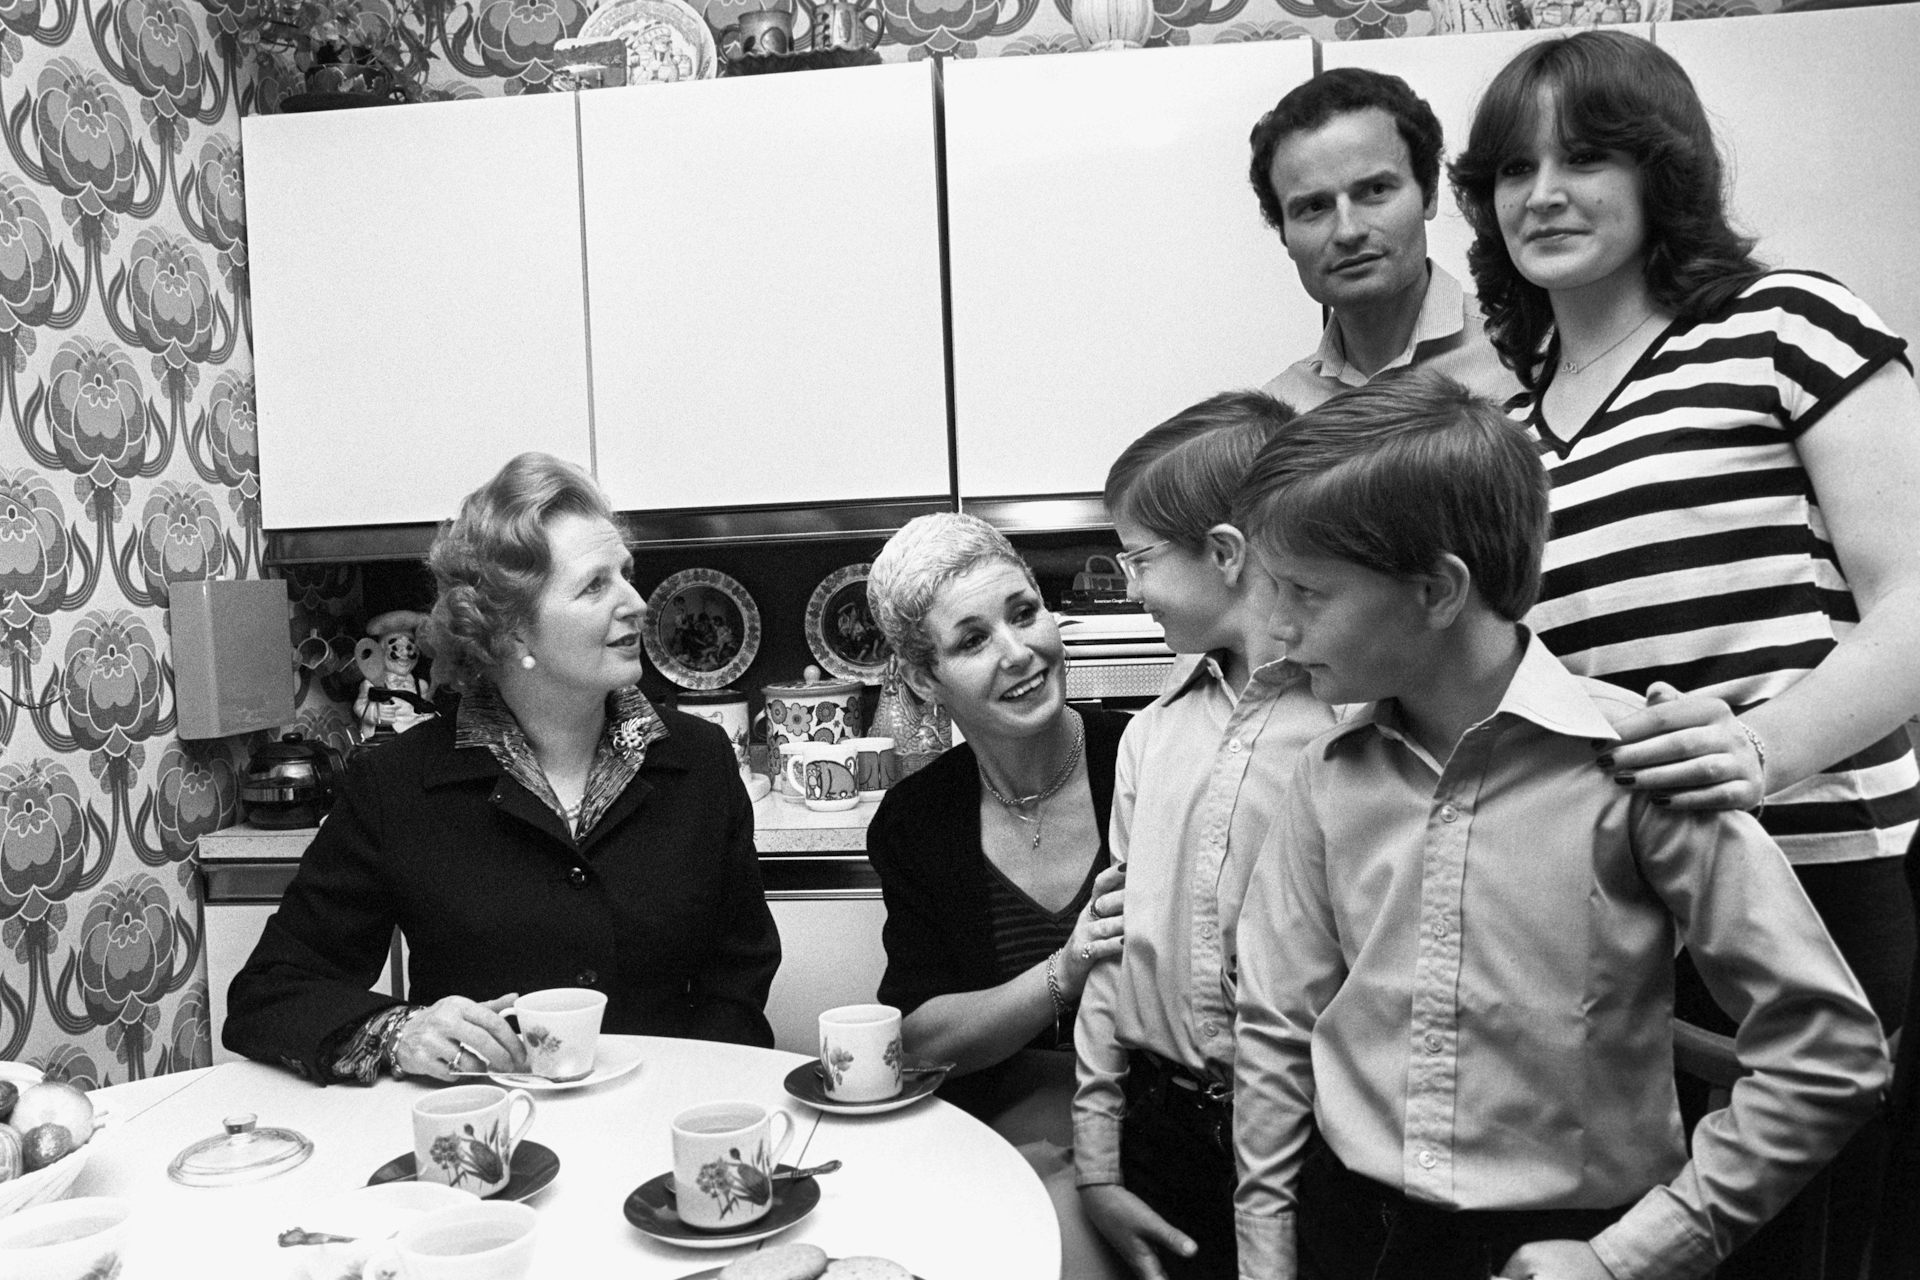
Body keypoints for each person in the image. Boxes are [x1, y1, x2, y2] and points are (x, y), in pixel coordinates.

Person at [1229, 369, 1891, 1280]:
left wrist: (1632, 1256)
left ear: (1436, 591)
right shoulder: (1325, 777)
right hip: (1356, 1232)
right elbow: (1274, 1026)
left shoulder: (1639, 767)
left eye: (1304, 591)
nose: (1271, 623)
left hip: (1571, 1245)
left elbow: (1831, 1053)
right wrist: (1266, 1251)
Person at [1450, 34, 1920, 1272]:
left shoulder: (1787, 323)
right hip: (1615, 916)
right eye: (1513, 168)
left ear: (1664, 172)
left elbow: (1918, 598)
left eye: (1587, 155)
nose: (1542, 191)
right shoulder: (1506, 434)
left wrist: (1760, 750)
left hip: (1812, 877)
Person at [225, 453, 781, 1082]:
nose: (636, 602)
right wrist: (401, 1031)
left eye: (625, 575)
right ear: (514, 631)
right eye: (595, 585)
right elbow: (270, 994)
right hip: (484, 1135)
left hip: (664, 1122)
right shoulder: (396, 784)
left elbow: (737, 978)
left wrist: (690, 1093)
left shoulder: (699, 759)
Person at [1074, 390, 1337, 1280]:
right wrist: (1099, 1160)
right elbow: (1114, 951)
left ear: (1224, 554)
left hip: (1321, 1145)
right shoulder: (1151, 736)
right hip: (1162, 1132)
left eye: (1138, 559)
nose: (1132, 585)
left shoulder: (1351, 725)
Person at [864, 511, 1128, 1279]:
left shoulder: (1145, 759)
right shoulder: (917, 820)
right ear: (922, 677)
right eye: (972, 640)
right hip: (992, 1134)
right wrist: (1063, 970)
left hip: (1160, 1130)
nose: (1019, 653)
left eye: (1024, 613)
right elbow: (920, 1038)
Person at [1247, 67, 1516, 411]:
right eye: (1315, 206)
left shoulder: (1528, 361)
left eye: (1375, 191)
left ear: (1429, 193)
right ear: (1283, 233)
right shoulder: (1280, 417)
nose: (1348, 231)